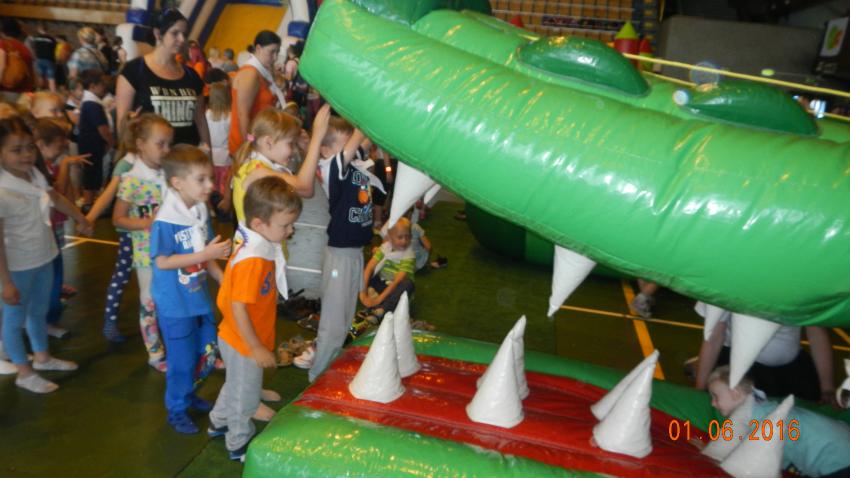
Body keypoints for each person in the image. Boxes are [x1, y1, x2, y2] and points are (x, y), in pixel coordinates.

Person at [209, 176, 302, 461]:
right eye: (285, 225)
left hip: (238, 336)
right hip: (243, 341)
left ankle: (218, 421)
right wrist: (256, 347)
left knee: (236, 385)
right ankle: (238, 442)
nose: (290, 230)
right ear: (260, 224)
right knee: (246, 397)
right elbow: (238, 307)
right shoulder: (254, 259)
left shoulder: (257, 242)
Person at [0, 116, 92, 393]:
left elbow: (56, 198)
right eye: (16, 150)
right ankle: (24, 372)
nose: (26, 155)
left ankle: (41, 357)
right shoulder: (2, 189)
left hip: (44, 256)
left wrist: (80, 217)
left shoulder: (34, 175)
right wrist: (6, 282)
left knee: (38, 311)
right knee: (14, 320)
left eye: (30, 147)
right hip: (17, 267)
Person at [151, 144, 230, 434]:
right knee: (181, 360)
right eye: (202, 179)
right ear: (178, 183)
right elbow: (162, 261)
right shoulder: (166, 220)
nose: (211, 185)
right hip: (175, 305)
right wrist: (205, 255)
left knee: (204, 350)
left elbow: (207, 252)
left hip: (197, 298)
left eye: (210, 178)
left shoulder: (199, 210)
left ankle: (189, 391)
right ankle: (176, 408)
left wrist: (221, 277)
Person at [293, 115, 372, 381]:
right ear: (326, 150)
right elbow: (359, 139)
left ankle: (331, 364)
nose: (352, 147)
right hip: (340, 255)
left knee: (345, 317)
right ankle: (318, 375)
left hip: (355, 252)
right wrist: (364, 119)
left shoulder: (350, 160)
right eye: (345, 144)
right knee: (334, 320)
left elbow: (366, 140)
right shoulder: (330, 168)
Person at [700, 365, 850, 477]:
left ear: (735, 394)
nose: (712, 403)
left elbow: (753, 460)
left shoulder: (758, 416)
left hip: (836, 460)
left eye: (715, 396)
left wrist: (711, 457)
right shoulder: (761, 405)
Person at [112, 113, 173, 371]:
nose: (166, 150)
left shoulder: (168, 174)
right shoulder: (132, 180)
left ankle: (176, 343)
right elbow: (118, 219)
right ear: (141, 144)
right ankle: (155, 352)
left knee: (172, 299)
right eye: (160, 144)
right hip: (147, 254)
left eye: (169, 144)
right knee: (149, 302)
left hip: (172, 251)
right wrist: (148, 222)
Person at [692, 302, 836, 404]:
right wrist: (700, 387)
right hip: (742, 368)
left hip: (791, 368)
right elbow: (713, 338)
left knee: (802, 414)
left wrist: (827, 387)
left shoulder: (797, 282)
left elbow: (817, 334)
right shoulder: (727, 282)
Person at [116, 9, 210, 148]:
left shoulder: (191, 75)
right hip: (150, 157)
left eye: (184, 34)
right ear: (158, 33)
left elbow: (201, 121)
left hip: (186, 156)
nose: (182, 39)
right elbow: (122, 125)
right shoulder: (134, 71)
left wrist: (208, 153)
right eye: (175, 33)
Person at [230, 105, 328, 226]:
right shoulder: (257, 172)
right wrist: (316, 138)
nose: (294, 151)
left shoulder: (255, 163)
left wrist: (307, 150)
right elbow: (305, 188)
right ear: (268, 143)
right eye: (290, 144)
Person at [228, 31, 285, 156]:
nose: (275, 57)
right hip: (249, 145)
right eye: (272, 52)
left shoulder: (262, 71)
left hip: (260, 140)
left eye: (277, 52)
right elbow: (242, 115)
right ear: (258, 48)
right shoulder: (250, 74)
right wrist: (249, 146)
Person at [360, 217, 416, 319]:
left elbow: (397, 281)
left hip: (396, 288)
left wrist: (378, 300)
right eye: (400, 237)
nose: (404, 241)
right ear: (390, 236)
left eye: (407, 237)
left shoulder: (408, 254)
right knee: (365, 270)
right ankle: (372, 295)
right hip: (383, 283)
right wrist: (362, 293)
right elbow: (369, 268)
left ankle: (382, 309)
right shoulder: (386, 247)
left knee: (408, 284)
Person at [77, 69, 114, 210]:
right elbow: (102, 128)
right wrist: (111, 142)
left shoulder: (89, 103)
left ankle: (90, 201)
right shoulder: (92, 104)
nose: (104, 87)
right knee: (91, 174)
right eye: (101, 84)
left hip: (91, 144)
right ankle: (88, 203)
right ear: (93, 86)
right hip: (92, 145)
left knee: (93, 172)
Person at [206, 78, 232, 214]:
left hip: (210, 155)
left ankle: (211, 208)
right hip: (226, 156)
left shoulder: (207, 114)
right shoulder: (230, 116)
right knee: (224, 184)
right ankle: (223, 208)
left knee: (212, 183)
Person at [0, 18, 35, 100]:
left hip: (6, 89)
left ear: (2, 31)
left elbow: (1, 67)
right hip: (23, 91)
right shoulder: (24, 48)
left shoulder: (2, 44)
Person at [31, 23, 57, 92]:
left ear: (39, 29)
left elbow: (34, 49)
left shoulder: (36, 38)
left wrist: (35, 57)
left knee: (40, 76)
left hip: (39, 59)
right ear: (47, 29)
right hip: (49, 60)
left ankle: (39, 91)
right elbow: (54, 50)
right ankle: (53, 93)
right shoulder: (51, 39)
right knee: (51, 78)